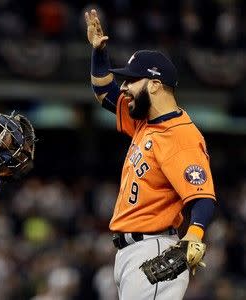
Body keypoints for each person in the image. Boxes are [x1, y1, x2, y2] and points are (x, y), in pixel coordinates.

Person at [85, 9, 216, 299]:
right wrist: (99, 51)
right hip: (131, 252)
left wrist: (194, 236)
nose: (126, 88)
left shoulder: (180, 134)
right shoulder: (144, 121)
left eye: (132, 81)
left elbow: (202, 197)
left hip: (154, 249)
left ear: (155, 85)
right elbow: (104, 92)